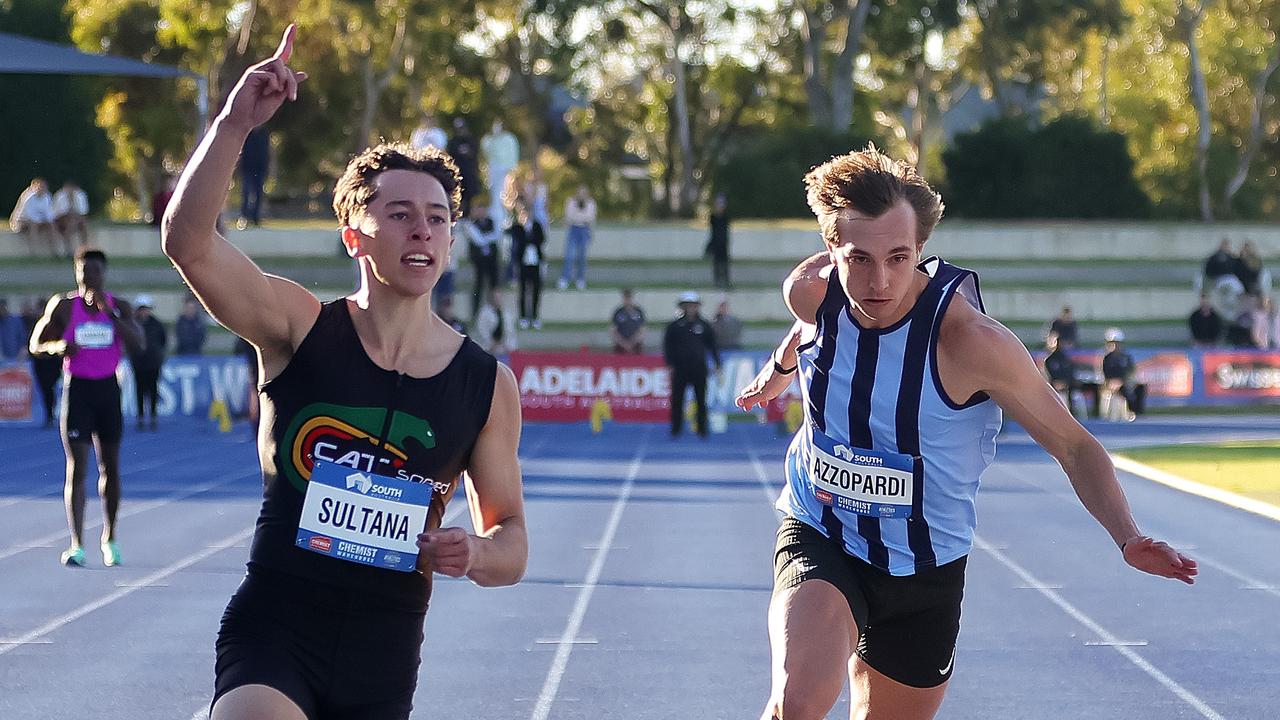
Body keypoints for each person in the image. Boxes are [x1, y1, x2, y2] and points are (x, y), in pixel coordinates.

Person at [734, 147, 1195, 720]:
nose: (879, 281)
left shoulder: (973, 345)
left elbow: (1074, 445)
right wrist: (778, 372)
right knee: (797, 704)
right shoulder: (811, 292)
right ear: (832, 251)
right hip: (824, 530)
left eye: (899, 257)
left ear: (920, 251)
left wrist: (1128, 537)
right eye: (860, 259)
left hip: (928, 565)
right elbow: (809, 325)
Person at [160, 27, 526, 720]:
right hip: (276, 625)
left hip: (383, 652)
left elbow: (512, 542)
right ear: (355, 233)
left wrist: (474, 553)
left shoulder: (485, 383)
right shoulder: (298, 327)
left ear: (451, 240)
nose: (422, 231)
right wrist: (236, 121)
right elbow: (188, 242)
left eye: (437, 219)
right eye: (401, 215)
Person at [30, 247, 143, 567]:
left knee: (110, 467)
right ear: (76, 273)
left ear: (103, 273)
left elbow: (139, 343)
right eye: (83, 270)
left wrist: (111, 316)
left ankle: (110, 536)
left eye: (94, 270)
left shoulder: (119, 306)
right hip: (77, 391)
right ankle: (77, 543)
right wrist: (58, 347)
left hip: (107, 390)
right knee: (77, 468)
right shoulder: (63, 306)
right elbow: (35, 344)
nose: (89, 275)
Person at [663, 291, 720, 437]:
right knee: (677, 399)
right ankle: (676, 428)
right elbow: (668, 346)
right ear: (682, 307)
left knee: (701, 399)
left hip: (698, 368)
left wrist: (717, 362)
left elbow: (712, 345)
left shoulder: (704, 325)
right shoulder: (674, 326)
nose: (690, 309)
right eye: (687, 306)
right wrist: (669, 363)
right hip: (680, 368)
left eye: (693, 306)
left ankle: (702, 429)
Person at [456, 200, 501, 320]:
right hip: (479, 261)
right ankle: (475, 313)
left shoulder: (491, 223)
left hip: (491, 260)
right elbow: (475, 242)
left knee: (494, 286)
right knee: (478, 286)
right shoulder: (472, 225)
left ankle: (497, 312)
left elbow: (494, 238)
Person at [129, 294, 167, 430]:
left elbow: (162, 341)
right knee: (139, 390)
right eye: (141, 308)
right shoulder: (132, 323)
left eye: (146, 308)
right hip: (138, 363)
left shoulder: (157, 324)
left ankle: (153, 416)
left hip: (153, 362)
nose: (144, 311)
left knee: (152, 390)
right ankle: (140, 416)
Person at [23, 297, 61, 428]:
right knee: (45, 388)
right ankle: (49, 414)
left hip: (54, 360)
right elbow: (32, 343)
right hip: (40, 360)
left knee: (50, 386)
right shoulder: (37, 324)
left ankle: (52, 412)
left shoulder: (58, 324)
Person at [510, 199, 545, 329]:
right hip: (523, 263)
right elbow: (517, 242)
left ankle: (535, 317)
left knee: (536, 290)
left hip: (535, 262)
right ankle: (523, 317)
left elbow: (540, 240)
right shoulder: (518, 227)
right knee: (523, 290)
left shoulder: (537, 226)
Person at [481, 119, 519, 225]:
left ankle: (504, 218)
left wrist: (511, 169)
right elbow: (486, 151)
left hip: (505, 169)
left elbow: (513, 154)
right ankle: (496, 217)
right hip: (494, 168)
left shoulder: (509, 139)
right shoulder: (489, 140)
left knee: (505, 193)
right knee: (495, 193)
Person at [559, 185, 596, 290]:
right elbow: (569, 217)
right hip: (573, 230)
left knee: (582, 256)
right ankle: (565, 278)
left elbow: (590, 218)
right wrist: (579, 216)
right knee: (569, 255)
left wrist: (579, 217)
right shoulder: (570, 202)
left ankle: (580, 279)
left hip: (584, 230)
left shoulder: (591, 203)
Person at [10, 178, 59, 257]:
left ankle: (55, 252)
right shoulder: (28, 196)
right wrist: (40, 221)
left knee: (51, 225)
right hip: (21, 221)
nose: (42, 188)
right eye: (39, 186)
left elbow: (48, 213)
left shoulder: (47, 196)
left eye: (44, 186)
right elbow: (30, 215)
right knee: (33, 225)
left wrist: (49, 222)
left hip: (38, 220)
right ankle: (33, 252)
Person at [1102, 327, 1143, 420]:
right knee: (1123, 389)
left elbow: (1131, 372)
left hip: (1125, 382)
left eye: (1117, 344)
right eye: (1112, 344)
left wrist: (1130, 381)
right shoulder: (1106, 359)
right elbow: (1103, 376)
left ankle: (1138, 412)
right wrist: (1111, 383)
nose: (1115, 346)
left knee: (1140, 387)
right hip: (1111, 384)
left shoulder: (1126, 357)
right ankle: (1129, 411)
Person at [446, 118, 480, 216]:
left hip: (470, 175)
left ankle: (468, 217)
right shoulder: (453, 142)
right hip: (457, 175)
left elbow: (474, 154)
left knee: (470, 199)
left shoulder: (472, 141)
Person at [238, 126, 270, 228]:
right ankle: (244, 216)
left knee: (258, 193)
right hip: (247, 168)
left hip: (259, 168)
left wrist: (267, 167)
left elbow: (267, 152)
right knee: (246, 193)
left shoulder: (264, 134)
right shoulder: (247, 134)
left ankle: (255, 218)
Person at [474, 288, 518, 357]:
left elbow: (510, 331)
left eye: (499, 297)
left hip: (504, 347)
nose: (498, 300)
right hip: (488, 348)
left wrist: (506, 345)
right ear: (491, 299)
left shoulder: (506, 313)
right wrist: (491, 344)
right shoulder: (484, 313)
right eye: (496, 298)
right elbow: (482, 330)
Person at [52, 180, 90, 251]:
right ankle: (69, 249)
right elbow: (56, 213)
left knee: (84, 224)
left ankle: (84, 248)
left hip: (76, 219)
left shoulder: (80, 195)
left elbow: (83, 211)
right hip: (62, 219)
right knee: (69, 222)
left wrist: (75, 216)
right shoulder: (59, 196)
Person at [706, 193, 732, 289]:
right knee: (716, 263)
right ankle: (717, 282)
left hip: (723, 244)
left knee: (724, 264)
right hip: (716, 243)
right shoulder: (713, 218)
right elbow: (713, 233)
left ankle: (726, 282)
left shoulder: (725, 218)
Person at [610, 288, 646, 354]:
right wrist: (623, 343)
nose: (627, 300)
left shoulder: (638, 312)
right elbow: (613, 331)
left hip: (635, 346)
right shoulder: (618, 313)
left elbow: (642, 329)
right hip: (620, 346)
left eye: (629, 298)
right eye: (625, 298)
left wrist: (632, 342)